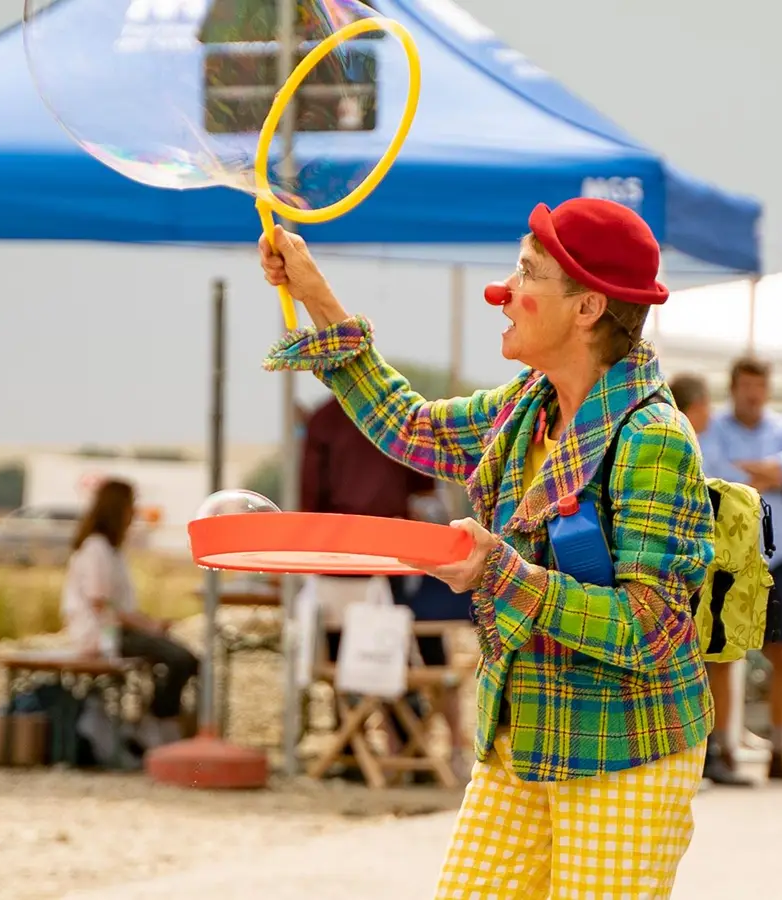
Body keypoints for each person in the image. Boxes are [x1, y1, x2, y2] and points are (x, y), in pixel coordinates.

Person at [259, 197, 714, 898]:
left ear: (588, 308)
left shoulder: (652, 436)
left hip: (623, 748)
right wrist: (315, 293)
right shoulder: (527, 405)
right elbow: (410, 427)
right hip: (522, 735)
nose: (503, 291)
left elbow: (650, 629)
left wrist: (501, 573)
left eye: (527, 273)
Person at [300, 397, 470, 779]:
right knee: (420, 649)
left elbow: (310, 497)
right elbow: (423, 484)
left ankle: (361, 748)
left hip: (342, 557)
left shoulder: (324, 419)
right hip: (399, 552)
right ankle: (425, 747)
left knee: (352, 656)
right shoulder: (391, 413)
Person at [698, 358, 782, 782]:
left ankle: (780, 749)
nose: (753, 394)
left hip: (780, 556)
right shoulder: (714, 428)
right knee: (724, 655)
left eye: (759, 386)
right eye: (746, 386)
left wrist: (769, 472)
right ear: (733, 388)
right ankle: (720, 750)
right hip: (731, 558)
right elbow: (712, 473)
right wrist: (770, 474)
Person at [62, 479, 198, 748]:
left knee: (182, 657)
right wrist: (148, 626)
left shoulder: (112, 551)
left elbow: (118, 605)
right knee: (180, 659)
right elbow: (103, 605)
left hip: (117, 629)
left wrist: (149, 623)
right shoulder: (96, 549)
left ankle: (157, 719)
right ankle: (158, 720)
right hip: (101, 634)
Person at [670, 372, 752, 788]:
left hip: (713, 567)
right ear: (695, 406)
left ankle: (714, 752)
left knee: (716, 657)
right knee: (704, 660)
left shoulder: (693, 441)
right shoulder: (679, 440)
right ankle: (703, 754)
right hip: (701, 569)